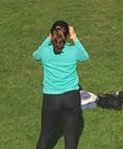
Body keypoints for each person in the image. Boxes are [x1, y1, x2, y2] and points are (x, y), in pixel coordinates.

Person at [33, 20, 89, 149]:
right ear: (67, 35)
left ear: (52, 34)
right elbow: (85, 56)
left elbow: (35, 55)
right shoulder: (73, 51)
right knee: (70, 137)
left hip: (51, 99)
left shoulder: (45, 52)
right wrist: (75, 37)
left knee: (45, 134)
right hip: (71, 98)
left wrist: (48, 38)